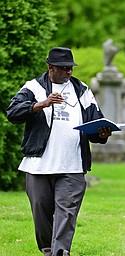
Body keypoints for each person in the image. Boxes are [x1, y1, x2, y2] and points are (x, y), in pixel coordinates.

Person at [6, 47, 112, 256]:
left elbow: (95, 123)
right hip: (39, 165)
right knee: (40, 210)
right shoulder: (33, 87)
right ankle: (48, 249)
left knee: (67, 212)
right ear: (51, 67)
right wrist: (41, 104)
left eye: (71, 68)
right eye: (64, 68)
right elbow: (13, 112)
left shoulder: (82, 90)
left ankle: (60, 252)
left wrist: (102, 133)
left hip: (72, 165)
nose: (69, 72)